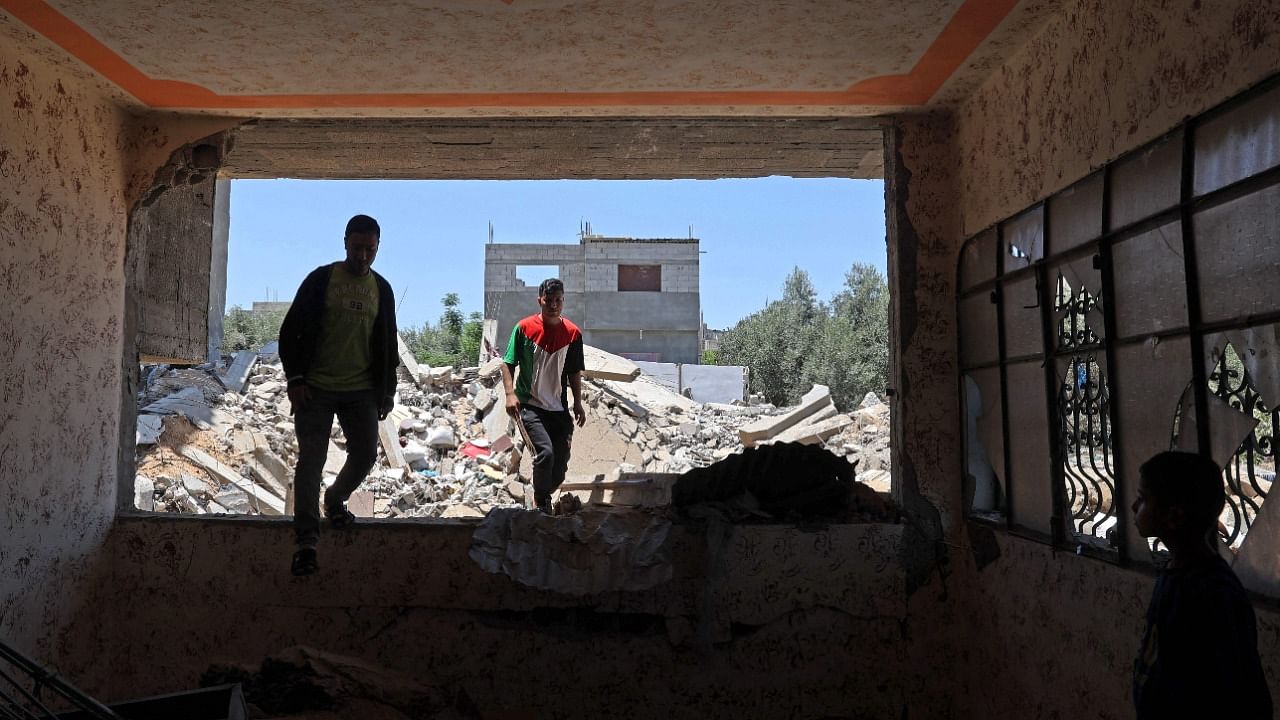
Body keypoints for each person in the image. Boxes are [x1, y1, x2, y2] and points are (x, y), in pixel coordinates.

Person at [278, 214, 398, 576]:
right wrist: (296, 379)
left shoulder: (382, 289)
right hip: (315, 389)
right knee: (311, 461)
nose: (363, 256)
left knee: (365, 455)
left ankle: (335, 499)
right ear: (345, 242)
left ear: (378, 248)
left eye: (370, 250)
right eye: (357, 248)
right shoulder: (322, 280)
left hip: (360, 390)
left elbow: (388, 345)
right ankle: (306, 543)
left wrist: (387, 391)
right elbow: (290, 333)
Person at [1131, 451, 1271, 718]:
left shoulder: (1213, 595)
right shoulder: (1176, 574)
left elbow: (1240, 694)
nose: (1134, 507)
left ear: (1174, 515)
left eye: (1143, 498)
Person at [500, 278, 586, 514]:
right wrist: (510, 394)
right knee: (544, 454)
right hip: (530, 407)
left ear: (563, 301)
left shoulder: (573, 334)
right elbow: (507, 364)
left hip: (558, 409)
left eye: (558, 300)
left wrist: (578, 403)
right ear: (540, 300)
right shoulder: (524, 329)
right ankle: (541, 504)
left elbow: (574, 371)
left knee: (558, 468)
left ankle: (542, 494)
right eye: (549, 301)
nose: (553, 305)